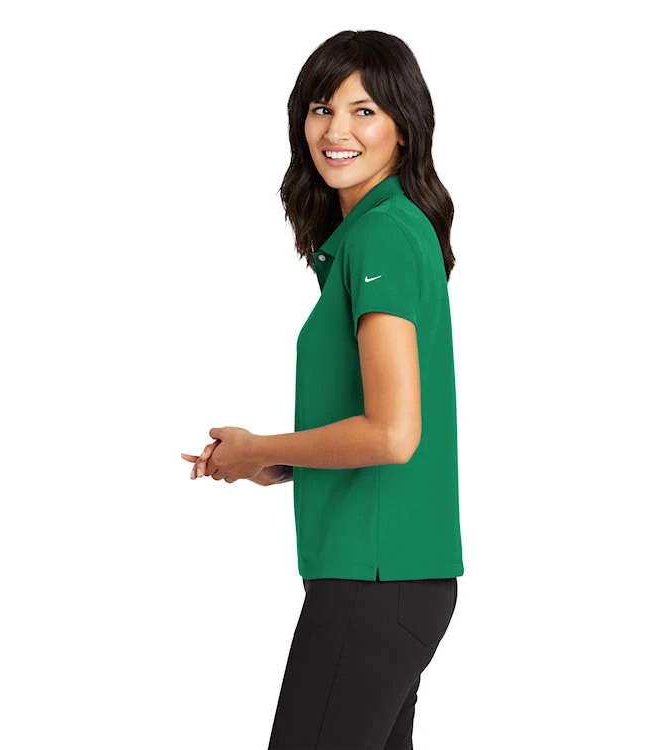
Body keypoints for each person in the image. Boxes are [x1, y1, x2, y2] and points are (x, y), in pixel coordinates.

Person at [181, 29, 464, 750]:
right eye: (321, 108)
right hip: (392, 580)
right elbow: (381, 427)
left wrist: (260, 447)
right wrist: (273, 462)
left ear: (405, 128)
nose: (336, 130)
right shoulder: (384, 230)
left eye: (364, 110)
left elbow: (393, 434)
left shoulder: (383, 236)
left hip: (373, 582)